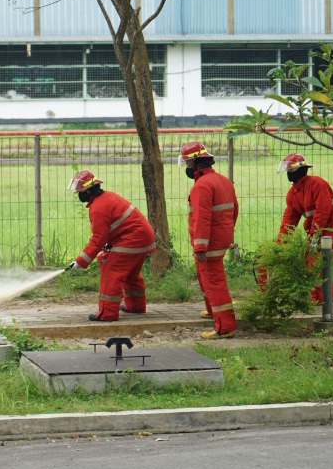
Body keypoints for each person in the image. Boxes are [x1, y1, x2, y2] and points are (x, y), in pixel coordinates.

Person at [66, 170, 157, 322]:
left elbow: (98, 239)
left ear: (88, 190)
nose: (78, 195)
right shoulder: (107, 197)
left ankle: (107, 313)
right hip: (143, 238)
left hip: (132, 239)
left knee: (111, 272)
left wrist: (81, 262)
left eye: (79, 192)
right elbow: (114, 228)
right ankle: (136, 306)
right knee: (130, 274)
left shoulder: (98, 207)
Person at [179, 142, 239, 339]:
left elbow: (202, 218)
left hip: (208, 242)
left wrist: (200, 246)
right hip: (220, 237)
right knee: (205, 276)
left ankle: (225, 326)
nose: (187, 168)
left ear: (196, 164)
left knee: (213, 280)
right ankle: (213, 310)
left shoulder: (202, 186)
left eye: (188, 163)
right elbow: (234, 211)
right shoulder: (222, 180)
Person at [274, 153, 333, 304]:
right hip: (317, 229)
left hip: (331, 226)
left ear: (300, 170)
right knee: (311, 259)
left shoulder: (317, 184)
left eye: (290, 171)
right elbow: (289, 220)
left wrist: (315, 236)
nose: (288, 174)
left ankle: (322, 298)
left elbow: (323, 211)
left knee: (317, 261)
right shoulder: (293, 193)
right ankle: (320, 297)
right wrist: (281, 242)